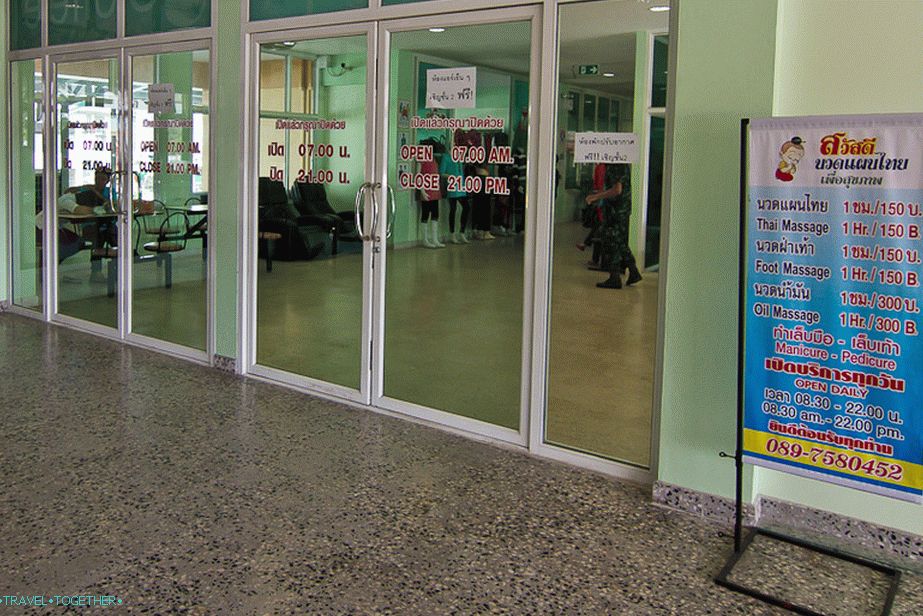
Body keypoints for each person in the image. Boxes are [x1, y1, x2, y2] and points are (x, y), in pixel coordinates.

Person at [584, 164, 642, 289]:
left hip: (616, 211)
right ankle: (633, 271)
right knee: (619, 241)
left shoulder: (616, 165)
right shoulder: (618, 164)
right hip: (618, 210)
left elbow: (617, 190)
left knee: (612, 242)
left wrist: (596, 197)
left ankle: (615, 277)